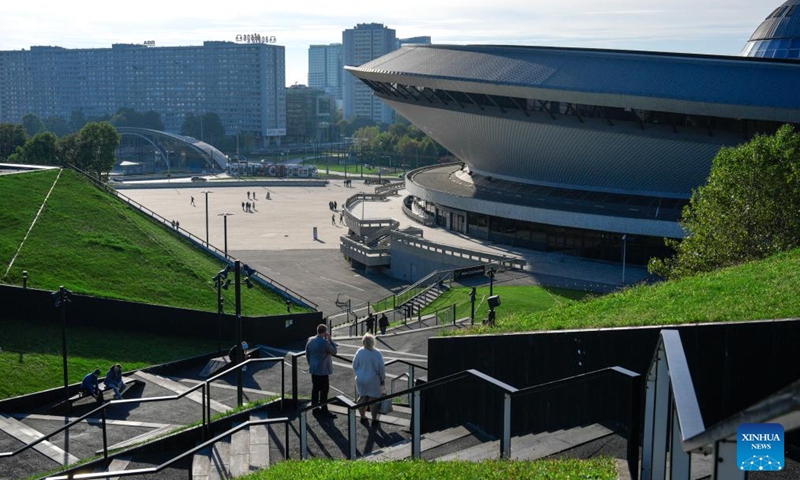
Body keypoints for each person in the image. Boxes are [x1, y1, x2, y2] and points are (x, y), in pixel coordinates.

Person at [352, 334, 385, 426]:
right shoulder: (377, 353)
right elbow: (381, 368)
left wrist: (358, 374)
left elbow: (354, 365)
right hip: (373, 380)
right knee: (374, 399)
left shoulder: (359, 351)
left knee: (363, 397)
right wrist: (382, 378)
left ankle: (362, 416)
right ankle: (374, 419)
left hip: (361, 379)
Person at [305, 324, 337, 417]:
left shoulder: (310, 339)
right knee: (324, 390)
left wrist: (311, 364)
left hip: (314, 369)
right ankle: (324, 409)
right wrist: (330, 339)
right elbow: (334, 351)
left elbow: (307, 354)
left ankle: (315, 408)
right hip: (323, 370)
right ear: (325, 332)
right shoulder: (324, 342)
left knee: (315, 389)